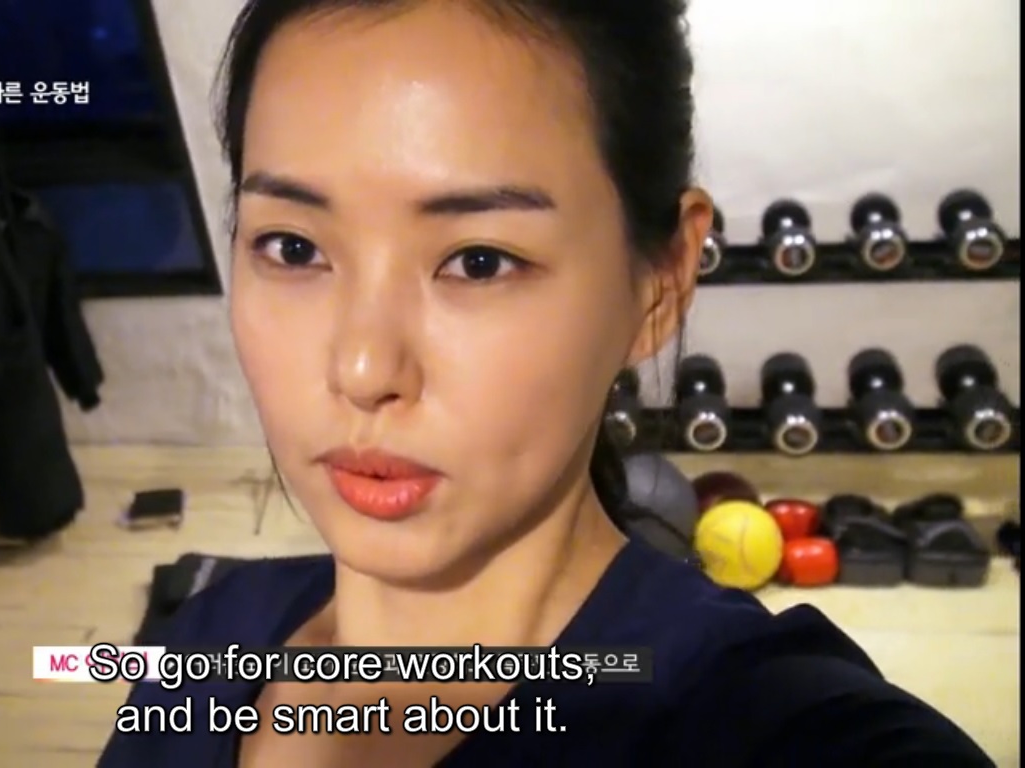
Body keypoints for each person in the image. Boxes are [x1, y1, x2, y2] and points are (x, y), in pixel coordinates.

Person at [99, 1, 995, 765]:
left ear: (661, 281)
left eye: (479, 261)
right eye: (293, 247)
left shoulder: (758, 723)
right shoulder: (204, 645)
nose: (364, 370)